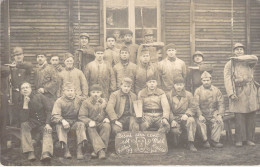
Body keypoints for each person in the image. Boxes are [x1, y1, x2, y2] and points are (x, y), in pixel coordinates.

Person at [224, 43, 259, 147]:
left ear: (244, 51)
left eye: (241, 49)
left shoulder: (249, 61)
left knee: (251, 115)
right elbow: (227, 79)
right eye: (237, 49)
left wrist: (239, 58)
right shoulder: (229, 64)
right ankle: (239, 139)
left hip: (250, 91)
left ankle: (250, 139)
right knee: (239, 117)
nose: (239, 51)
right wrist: (231, 93)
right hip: (238, 92)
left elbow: (255, 58)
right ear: (234, 51)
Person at [51, 82, 87, 160]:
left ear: (75, 91)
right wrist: (62, 120)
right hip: (64, 122)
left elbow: (89, 102)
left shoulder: (79, 99)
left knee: (81, 124)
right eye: (67, 90)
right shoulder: (59, 101)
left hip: (75, 122)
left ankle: (79, 150)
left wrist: (101, 100)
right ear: (63, 91)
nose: (70, 93)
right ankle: (66, 150)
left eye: (71, 90)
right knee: (59, 126)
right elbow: (55, 115)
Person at [19, 82, 53, 161]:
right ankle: (30, 151)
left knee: (47, 130)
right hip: (31, 123)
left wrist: (48, 123)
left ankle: (46, 153)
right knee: (24, 125)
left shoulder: (39, 97)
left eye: (27, 87)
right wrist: (25, 104)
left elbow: (49, 111)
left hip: (43, 122)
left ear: (31, 89)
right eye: (23, 88)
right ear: (20, 91)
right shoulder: (20, 100)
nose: (25, 89)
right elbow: (23, 119)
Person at [78, 84, 110, 159]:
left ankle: (96, 151)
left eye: (98, 92)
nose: (96, 94)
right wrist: (89, 121)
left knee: (107, 126)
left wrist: (107, 117)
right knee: (91, 129)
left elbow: (110, 111)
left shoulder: (105, 101)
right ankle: (101, 151)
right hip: (91, 123)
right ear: (90, 93)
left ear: (101, 93)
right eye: (93, 92)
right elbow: (81, 116)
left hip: (101, 122)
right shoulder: (86, 102)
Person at [194, 71, 224, 148]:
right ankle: (205, 141)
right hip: (202, 113)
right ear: (201, 81)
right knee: (200, 123)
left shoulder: (216, 90)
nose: (206, 82)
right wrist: (200, 115)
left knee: (218, 121)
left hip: (213, 112)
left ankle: (215, 141)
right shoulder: (198, 91)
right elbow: (196, 105)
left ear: (211, 80)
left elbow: (221, 104)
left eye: (208, 80)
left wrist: (220, 114)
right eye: (204, 80)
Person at [166, 77, 197, 151]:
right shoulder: (169, 95)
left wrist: (187, 114)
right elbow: (168, 109)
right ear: (174, 85)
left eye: (181, 85)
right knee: (175, 133)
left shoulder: (188, 94)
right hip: (175, 117)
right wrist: (172, 120)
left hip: (185, 117)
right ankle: (179, 143)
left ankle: (191, 143)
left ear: (183, 85)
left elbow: (193, 107)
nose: (179, 87)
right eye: (177, 85)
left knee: (191, 120)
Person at [7, 47, 33, 127]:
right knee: (15, 112)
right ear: (13, 57)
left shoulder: (26, 66)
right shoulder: (10, 67)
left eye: (20, 54)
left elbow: (29, 66)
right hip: (14, 93)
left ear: (23, 55)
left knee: (25, 112)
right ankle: (15, 134)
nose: (18, 56)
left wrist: (16, 65)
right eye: (16, 55)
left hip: (25, 93)